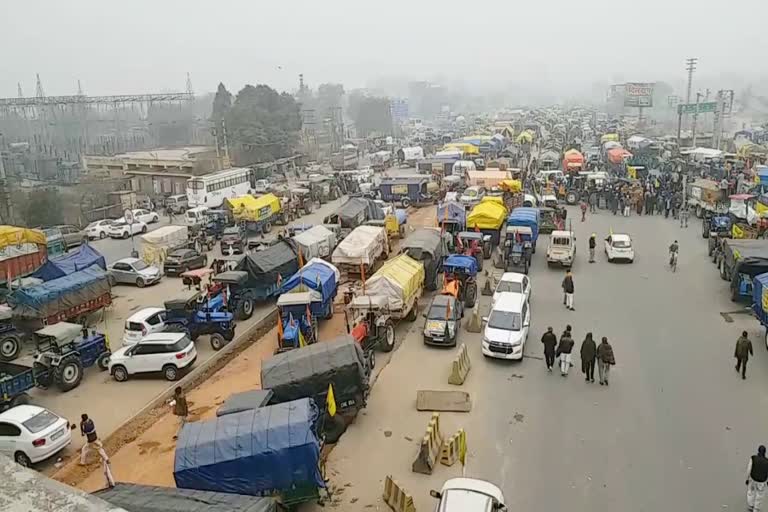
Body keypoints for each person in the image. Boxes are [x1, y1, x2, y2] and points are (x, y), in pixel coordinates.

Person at [748, 445, 768, 511]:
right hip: (762, 481)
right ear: (765, 452)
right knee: (759, 495)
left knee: (751, 492)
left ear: (758, 451)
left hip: (753, 479)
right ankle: (756, 509)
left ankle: (750, 506)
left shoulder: (753, 458)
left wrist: (747, 478)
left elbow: (749, 469)